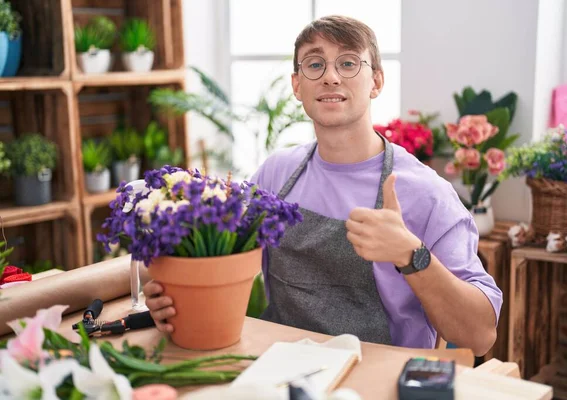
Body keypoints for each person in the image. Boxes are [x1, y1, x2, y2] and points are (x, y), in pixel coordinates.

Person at [143, 15, 502, 356]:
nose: (331, 77)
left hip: (378, 378)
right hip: (279, 364)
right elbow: (216, 261)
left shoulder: (426, 193)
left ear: (376, 81)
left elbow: (480, 335)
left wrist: (411, 255)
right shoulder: (275, 174)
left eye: (348, 63)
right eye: (315, 65)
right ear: (297, 85)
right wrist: (174, 297)